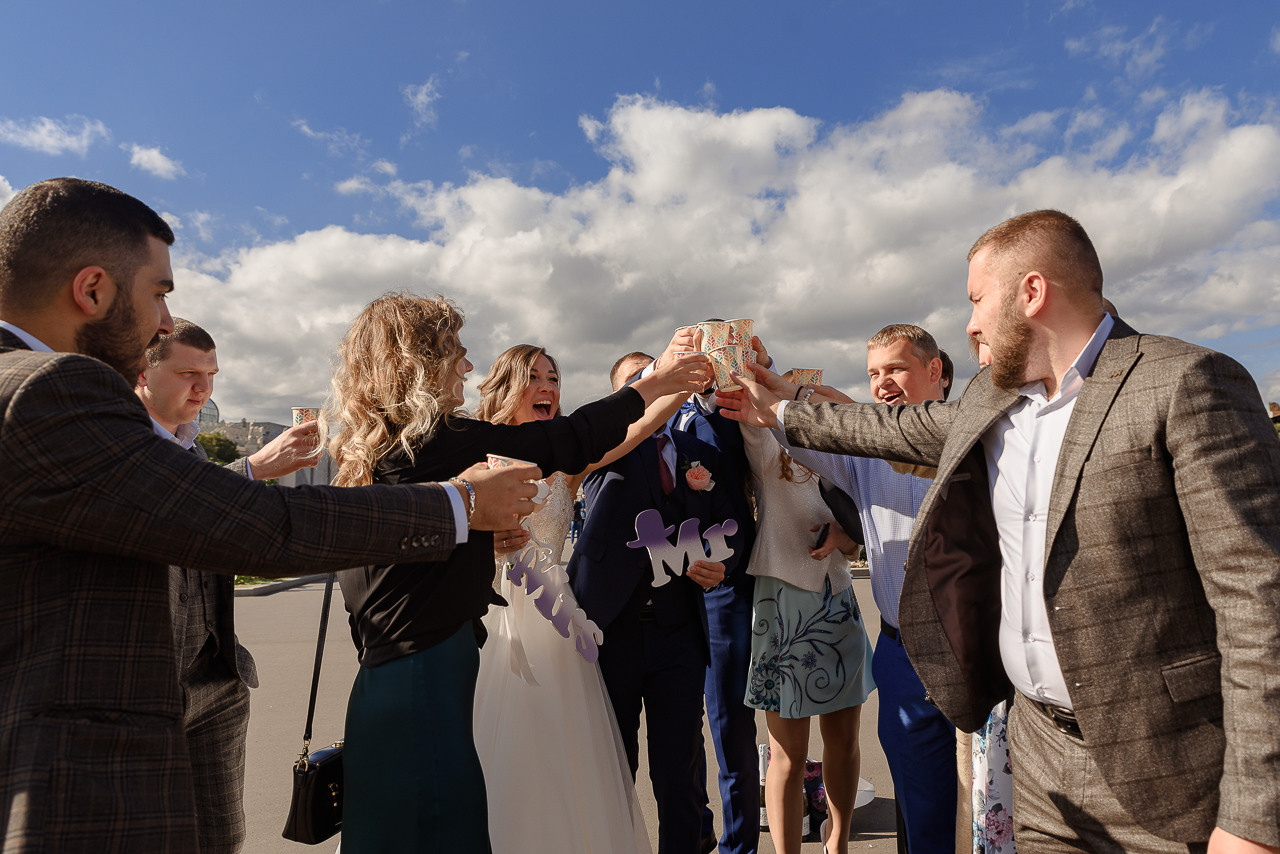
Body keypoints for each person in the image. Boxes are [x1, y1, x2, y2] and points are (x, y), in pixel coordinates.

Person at [0, 177, 537, 852]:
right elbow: (252, 523)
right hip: (83, 780)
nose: (166, 322)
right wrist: (461, 503)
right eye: (160, 293)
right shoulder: (49, 388)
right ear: (93, 290)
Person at [717, 210, 1280, 853]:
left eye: (978, 300)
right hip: (1039, 761)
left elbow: (1258, 603)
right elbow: (888, 431)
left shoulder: (1184, 382)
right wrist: (783, 407)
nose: (971, 323)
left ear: (1032, 293)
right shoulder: (994, 399)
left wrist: (1255, 818)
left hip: (1166, 766)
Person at [324, 295, 711, 853]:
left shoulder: (382, 448)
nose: (465, 364)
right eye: (453, 351)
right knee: (446, 814)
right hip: (426, 667)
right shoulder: (444, 447)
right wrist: (656, 379)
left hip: (397, 665)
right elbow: (572, 437)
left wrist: (666, 385)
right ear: (416, 362)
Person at [734, 325, 957, 853]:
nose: (882, 383)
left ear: (935, 372)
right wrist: (767, 391)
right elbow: (802, 433)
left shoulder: (972, 436)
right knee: (918, 796)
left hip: (970, 647)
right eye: (874, 373)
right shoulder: (863, 453)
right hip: (900, 647)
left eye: (895, 369)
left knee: (985, 793)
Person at [474, 340, 700, 854]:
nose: (548, 388)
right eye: (536, 377)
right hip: (492, 620)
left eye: (554, 379)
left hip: (557, 625)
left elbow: (639, 424)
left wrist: (677, 380)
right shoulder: (473, 453)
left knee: (565, 755)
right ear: (507, 384)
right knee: (500, 749)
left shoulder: (566, 460)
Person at [135, 317, 320, 854]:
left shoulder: (193, 451)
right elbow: (166, 507)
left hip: (218, 680)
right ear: (140, 374)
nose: (204, 388)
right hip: (149, 689)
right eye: (188, 372)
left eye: (211, 374)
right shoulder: (121, 443)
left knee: (222, 838)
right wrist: (251, 470)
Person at [567, 351, 743, 854]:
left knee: (680, 771)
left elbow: (730, 528)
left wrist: (720, 564)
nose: (653, 389)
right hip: (609, 628)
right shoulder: (605, 446)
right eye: (639, 384)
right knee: (612, 765)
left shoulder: (699, 454)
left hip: (677, 633)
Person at [739, 369, 875, 854]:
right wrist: (752, 369)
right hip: (782, 604)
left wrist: (848, 538)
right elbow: (751, 412)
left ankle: (836, 841)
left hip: (838, 596)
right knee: (786, 754)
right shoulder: (765, 442)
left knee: (843, 738)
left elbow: (865, 514)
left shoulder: (837, 451)